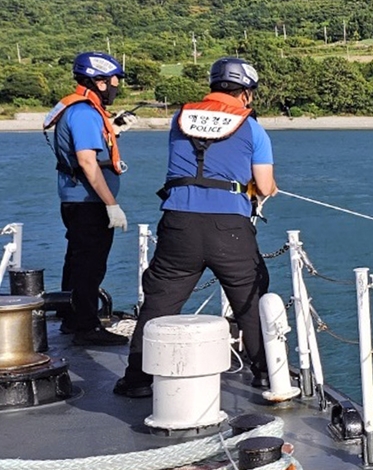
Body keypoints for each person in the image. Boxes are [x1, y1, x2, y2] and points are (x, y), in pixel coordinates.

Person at [114, 57, 278, 398]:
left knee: (159, 303)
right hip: (229, 227)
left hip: (179, 223)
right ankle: (264, 375)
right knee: (249, 299)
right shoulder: (252, 126)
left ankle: (138, 379)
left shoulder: (180, 118)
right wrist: (265, 188)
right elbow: (263, 185)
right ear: (247, 93)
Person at [44, 52, 134, 345]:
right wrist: (111, 204)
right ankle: (86, 327)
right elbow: (87, 161)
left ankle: (72, 319)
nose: (117, 85)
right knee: (89, 265)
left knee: (77, 260)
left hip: (76, 199)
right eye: (113, 80)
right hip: (87, 202)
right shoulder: (84, 113)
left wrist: (115, 129)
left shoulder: (82, 110)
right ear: (98, 81)